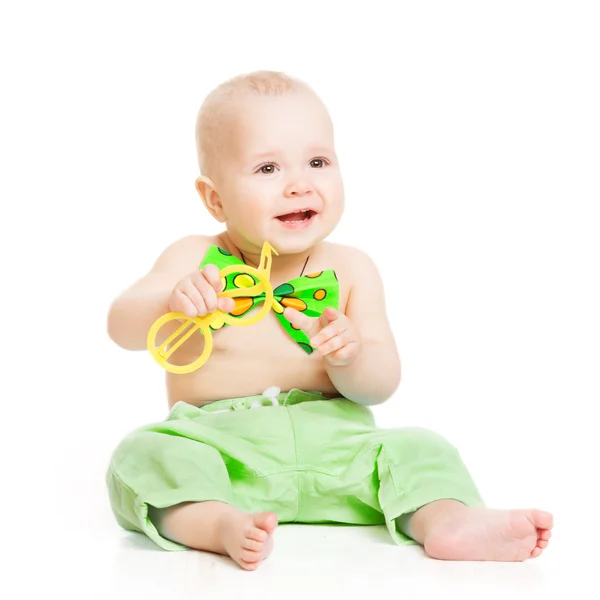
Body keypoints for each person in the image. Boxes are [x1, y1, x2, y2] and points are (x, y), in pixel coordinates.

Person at [106, 70, 553, 570]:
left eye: (318, 161)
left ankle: (446, 521)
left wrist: (352, 356)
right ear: (215, 199)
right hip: (222, 452)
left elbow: (380, 385)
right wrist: (171, 300)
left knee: (421, 447)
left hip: (338, 450)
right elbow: (121, 326)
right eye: (268, 168)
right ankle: (215, 522)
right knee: (143, 453)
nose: (300, 184)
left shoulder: (352, 267)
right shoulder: (193, 257)